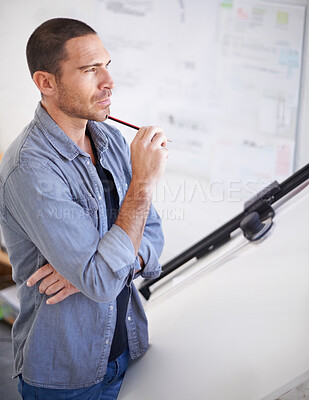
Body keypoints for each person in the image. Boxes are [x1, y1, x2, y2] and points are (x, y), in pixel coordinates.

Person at [0, 18, 168, 399]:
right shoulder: (31, 168)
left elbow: (154, 235)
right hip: (66, 377)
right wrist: (142, 184)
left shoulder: (107, 137)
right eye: (91, 70)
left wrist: (89, 274)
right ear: (46, 83)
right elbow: (103, 278)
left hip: (127, 349)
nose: (108, 82)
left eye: (107, 65)